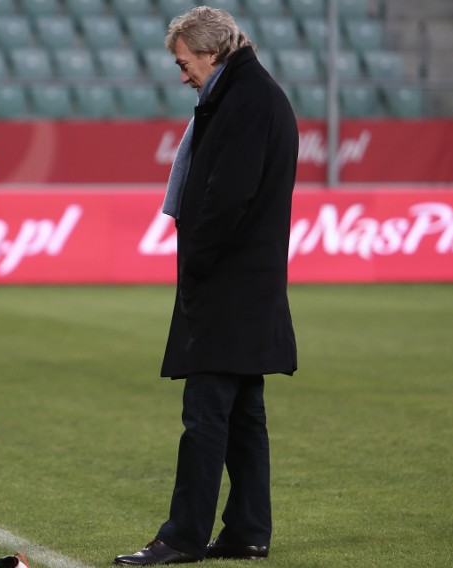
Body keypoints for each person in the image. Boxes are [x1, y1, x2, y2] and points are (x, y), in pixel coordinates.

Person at [114, 7, 298, 565]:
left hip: (228, 284)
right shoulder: (251, 94)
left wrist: (196, 262)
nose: (182, 74)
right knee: (243, 416)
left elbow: (228, 197)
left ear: (209, 52)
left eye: (184, 61)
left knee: (206, 415)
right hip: (247, 282)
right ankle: (246, 530)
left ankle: (182, 536)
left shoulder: (244, 100)